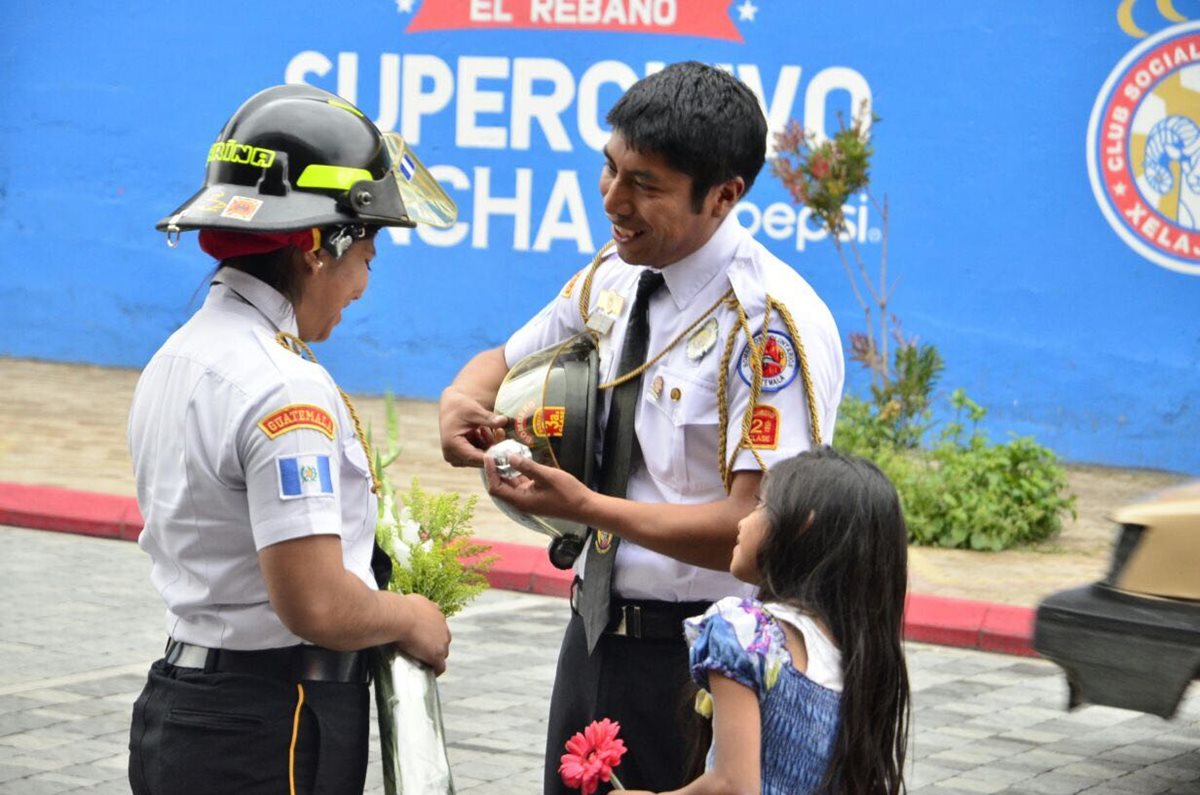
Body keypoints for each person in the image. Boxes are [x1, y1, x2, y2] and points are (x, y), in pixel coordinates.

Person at [440, 61, 845, 792]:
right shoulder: (616, 275)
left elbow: (753, 522)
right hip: (594, 637)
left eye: (645, 185)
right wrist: (457, 405)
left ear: (724, 195)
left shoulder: (768, 327)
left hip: (703, 663)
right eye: (609, 169)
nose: (614, 200)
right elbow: (499, 359)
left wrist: (584, 507)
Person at [128, 84, 455, 795]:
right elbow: (317, 604)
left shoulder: (177, 357)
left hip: (185, 709)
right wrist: (412, 616)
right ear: (316, 247)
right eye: (368, 254)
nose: (364, 284)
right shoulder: (283, 385)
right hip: (273, 726)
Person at [624, 448, 911, 795]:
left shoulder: (744, 632)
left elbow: (732, 786)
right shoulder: (860, 655)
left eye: (760, 504)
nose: (743, 521)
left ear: (803, 526)